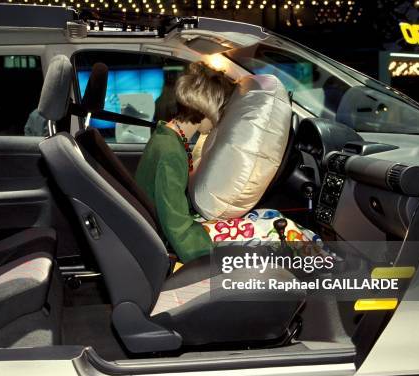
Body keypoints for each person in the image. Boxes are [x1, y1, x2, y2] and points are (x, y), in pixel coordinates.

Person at [135, 62, 321, 265]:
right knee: (278, 228)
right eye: (222, 111)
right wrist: (207, 260)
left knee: (270, 216)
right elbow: (176, 224)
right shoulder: (170, 153)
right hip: (179, 239)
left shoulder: (167, 138)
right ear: (207, 107)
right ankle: (328, 267)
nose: (221, 121)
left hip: (177, 226)